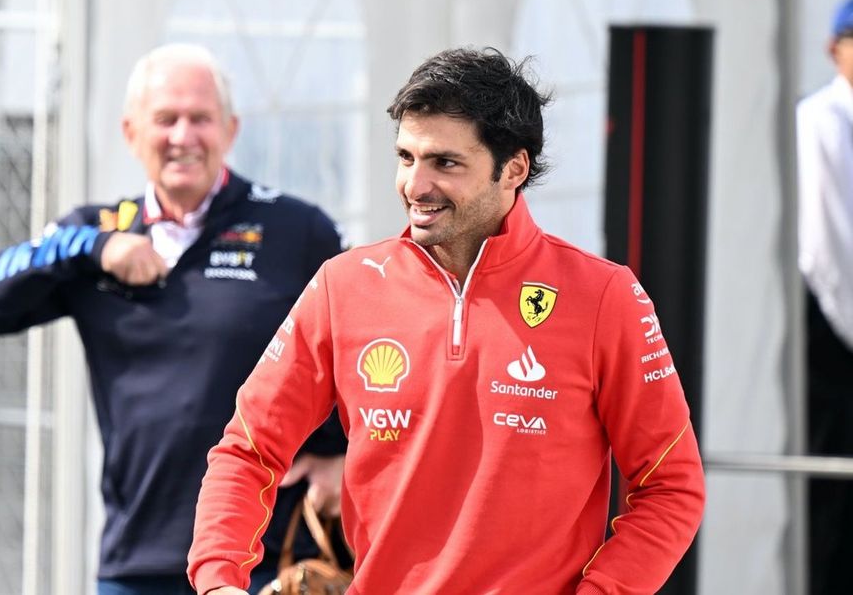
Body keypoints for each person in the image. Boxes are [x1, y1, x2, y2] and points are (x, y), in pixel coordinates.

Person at [188, 46, 705, 594]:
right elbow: (248, 448)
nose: (415, 185)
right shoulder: (344, 286)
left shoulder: (604, 296)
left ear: (514, 168)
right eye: (406, 157)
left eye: (445, 163)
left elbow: (671, 485)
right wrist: (219, 578)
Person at [0, 43, 347, 595]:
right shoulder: (96, 235)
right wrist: (92, 246)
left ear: (230, 130)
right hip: (139, 561)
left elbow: (360, 345)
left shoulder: (297, 230)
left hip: (266, 559)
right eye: (166, 119)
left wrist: (337, 452)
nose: (183, 136)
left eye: (200, 119)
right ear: (131, 132)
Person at [796, 0, 853, 595]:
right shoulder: (822, 120)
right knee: (835, 497)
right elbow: (829, 248)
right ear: (834, 50)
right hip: (835, 336)